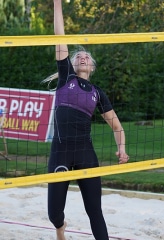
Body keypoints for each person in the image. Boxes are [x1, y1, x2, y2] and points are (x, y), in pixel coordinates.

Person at [45, 1, 129, 239]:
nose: (82, 57)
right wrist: (57, 5)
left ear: (91, 66)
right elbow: (59, 36)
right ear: (72, 64)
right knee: (54, 214)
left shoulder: (97, 93)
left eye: (86, 56)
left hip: (85, 153)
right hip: (61, 151)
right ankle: (61, 228)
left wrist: (121, 149)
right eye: (78, 55)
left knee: (95, 212)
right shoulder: (65, 77)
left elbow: (117, 126)